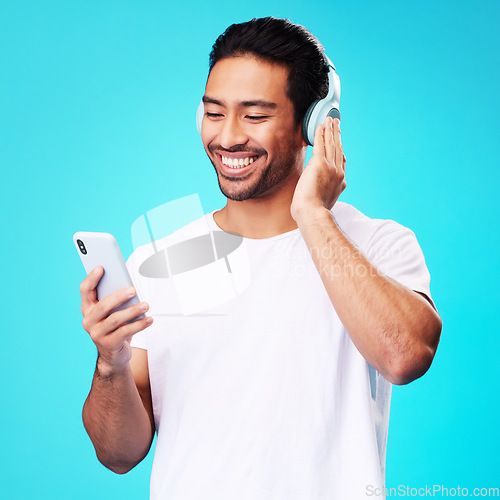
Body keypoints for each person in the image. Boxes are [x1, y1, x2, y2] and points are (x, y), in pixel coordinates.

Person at [79, 17, 442, 500]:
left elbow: (405, 357)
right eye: (214, 112)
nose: (228, 138)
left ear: (314, 123)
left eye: (254, 116)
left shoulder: (378, 245)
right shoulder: (158, 261)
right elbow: (118, 455)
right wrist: (111, 364)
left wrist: (312, 215)